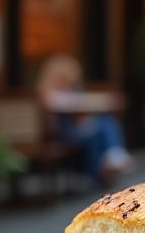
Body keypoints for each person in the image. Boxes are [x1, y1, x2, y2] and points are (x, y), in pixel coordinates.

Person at [37, 55, 133, 185]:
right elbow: (70, 105)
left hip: (66, 132)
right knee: (101, 128)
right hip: (59, 137)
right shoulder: (50, 94)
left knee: (102, 124)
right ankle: (109, 161)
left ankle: (109, 161)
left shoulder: (54, 92)